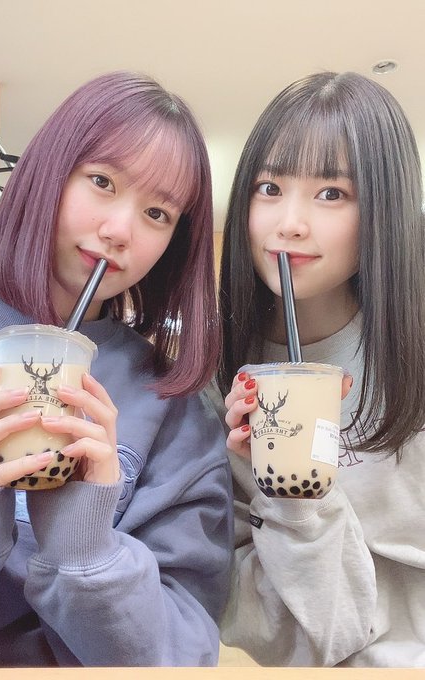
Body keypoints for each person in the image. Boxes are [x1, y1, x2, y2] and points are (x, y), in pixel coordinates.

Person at [0, 71, 233, 667]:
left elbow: (186, 648)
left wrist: (88, 552)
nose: (119, 231)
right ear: (48, 172)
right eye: (102, 181)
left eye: (158, 213)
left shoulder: (172, 405)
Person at [215, 71, 425, 667]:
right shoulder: (220, 380)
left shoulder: (412, 358)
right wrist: (290, 496)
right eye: (269, 187)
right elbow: (255, 622)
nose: (290, 222)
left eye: (331, 193)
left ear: (383, 209)